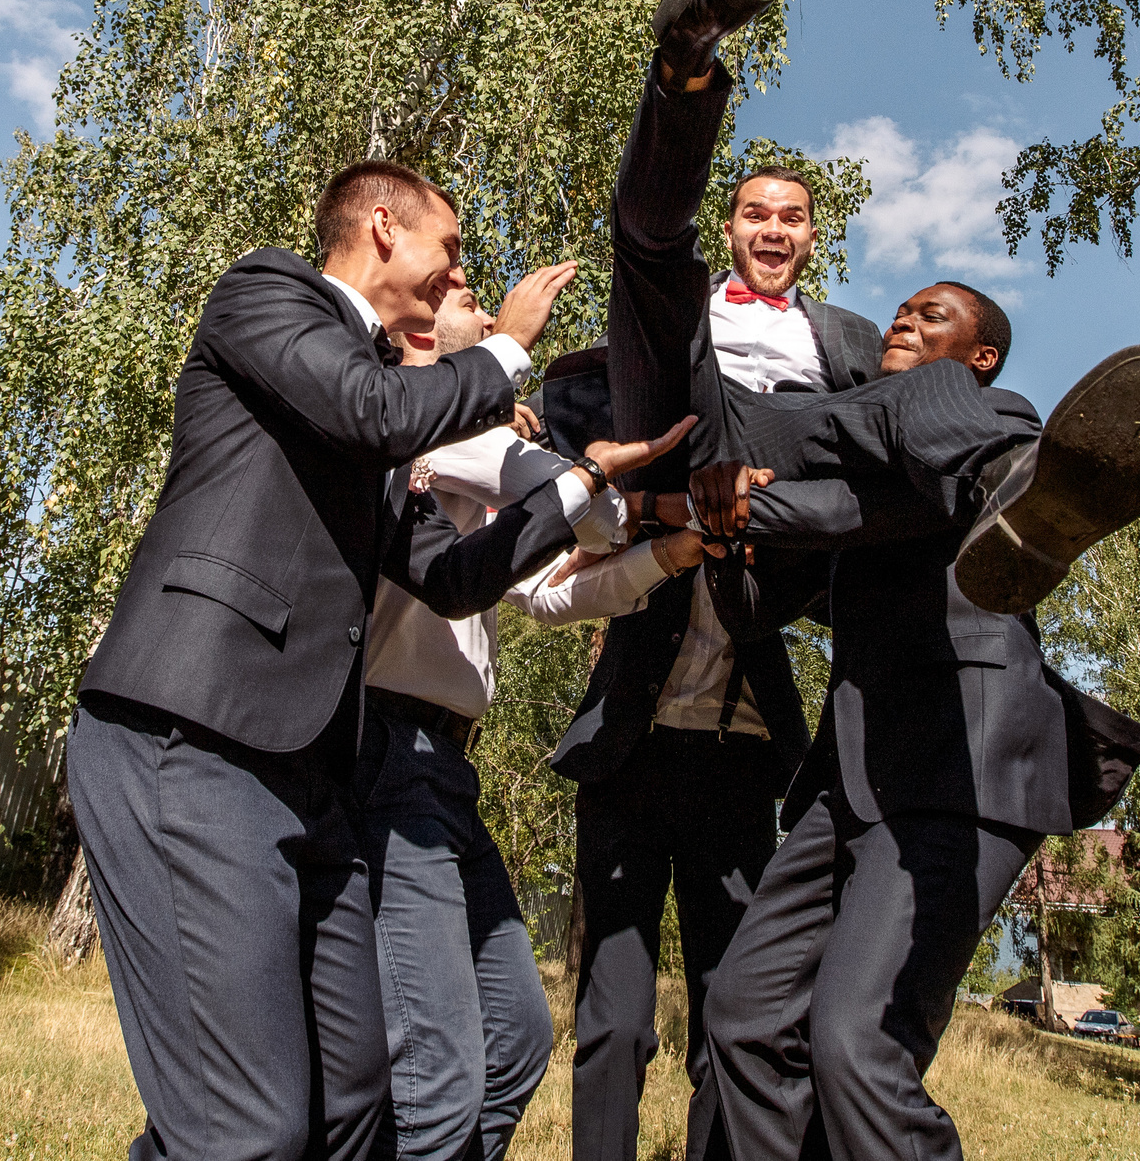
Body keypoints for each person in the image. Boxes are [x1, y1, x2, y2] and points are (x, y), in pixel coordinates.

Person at [597, 0, 1140, 1161]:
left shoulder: (921, 386)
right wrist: (730, 495)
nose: (908, 320)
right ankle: (688, 31)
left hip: (958, 749)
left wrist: (778, 499)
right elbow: (841, 505)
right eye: (904, 306)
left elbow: (893, 468)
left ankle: (1032, 499)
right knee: (745, 1013)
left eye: (939, 314)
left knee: (857, 1046)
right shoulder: (836, 402)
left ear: (983, 352)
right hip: (843, 753)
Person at [66, 161, 690, 1161]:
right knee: (247, 1132)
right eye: (450, 249)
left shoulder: (382, 408)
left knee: (354, 1103)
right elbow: (372, 410)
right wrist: (504, 347)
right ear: (385, 227)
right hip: (192, 727)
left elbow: (448, 578)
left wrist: (573, 481)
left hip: (310, 771)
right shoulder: (267, 294)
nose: (456, 273)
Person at [548, 0, 884, 1161]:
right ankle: (691, 38)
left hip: (747, 726)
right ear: (740, 224)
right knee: (617, 1017)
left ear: (813, 235)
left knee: (739, 1011)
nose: (773, 224)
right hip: (639, 709)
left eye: (792, 213)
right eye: (755, 207)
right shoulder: (704, 301)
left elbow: (880, 452)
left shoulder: (844, 342)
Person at [360, 285, 720, 1161]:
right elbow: (590, 510)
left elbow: (547, 589)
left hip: (446, 766)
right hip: (390, 750)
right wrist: (597, 474)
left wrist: (668, 556)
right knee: (438, 1070)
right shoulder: (421, 424)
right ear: (417, 332)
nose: (489, 319)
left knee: (516, 1038)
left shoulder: (471, 445)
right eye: (470, 303)